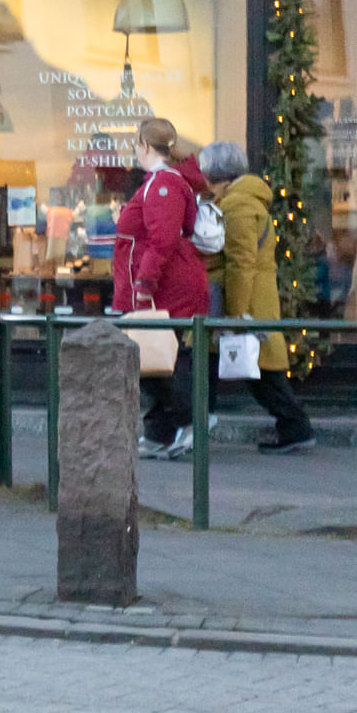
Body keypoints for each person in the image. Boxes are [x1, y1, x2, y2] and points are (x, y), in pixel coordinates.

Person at [197, 140, 315, 451]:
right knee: (255, 369)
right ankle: (294, 427)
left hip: (243, 300)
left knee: (258, 370)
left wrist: (236, 313)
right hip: (252, 298)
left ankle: (296, 427)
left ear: (212, 172)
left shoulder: (237, 205)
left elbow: (240, 262)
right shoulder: (245, 200)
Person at [111, 117, 212, 459]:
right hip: (163, 284)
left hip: (165, 287)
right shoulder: (161, 182)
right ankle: (161, 431)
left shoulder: (163, 184)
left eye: (136, 144)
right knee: (153, 356)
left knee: (158, 358)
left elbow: (163, 240)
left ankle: (192, 420)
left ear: (144, 146)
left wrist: (144, 284)